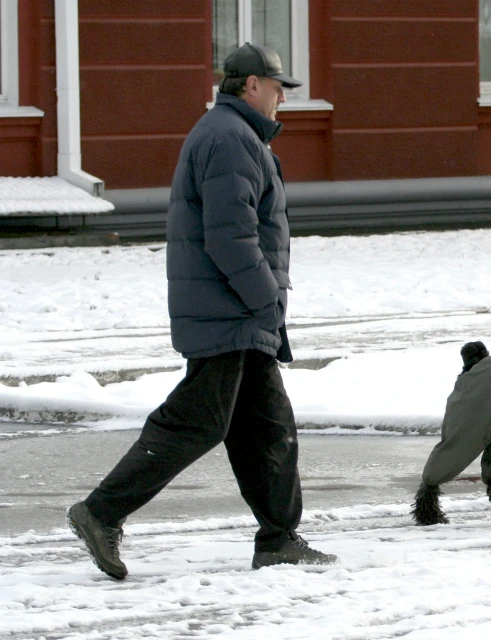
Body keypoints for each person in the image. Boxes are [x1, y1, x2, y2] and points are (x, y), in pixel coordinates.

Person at [68, 43, 337, 580]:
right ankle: (101, 512)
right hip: (229, 313)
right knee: (194, 422)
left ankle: (279, 538)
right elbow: (231, 237)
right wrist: (266, 301)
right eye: (277, 84)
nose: (284, 95)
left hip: (238, 314)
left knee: (267, 428)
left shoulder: (236, 136)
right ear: (249, 86)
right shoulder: (230, 138)